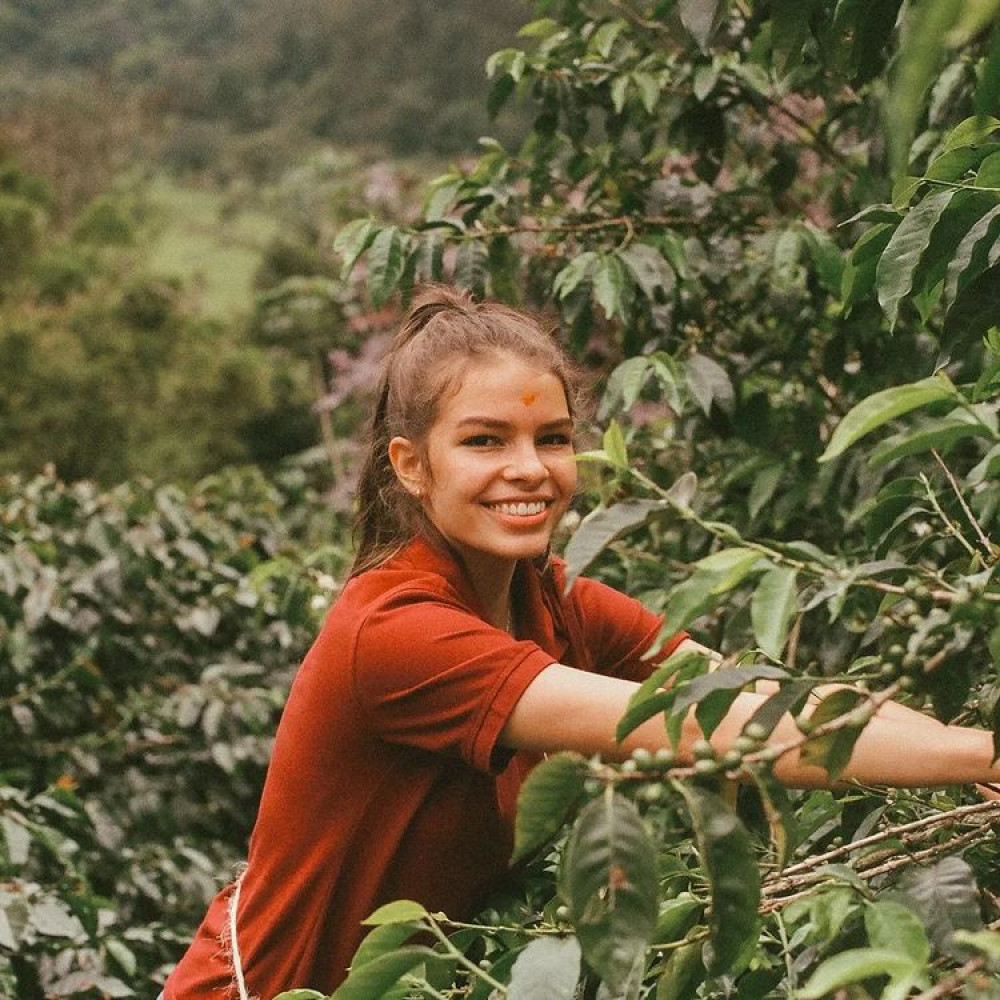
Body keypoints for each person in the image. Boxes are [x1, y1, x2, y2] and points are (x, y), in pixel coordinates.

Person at [163, 285, 1000, 1000]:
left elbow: (761, 697)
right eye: (485, 441)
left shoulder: (556, 601)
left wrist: (972, 751)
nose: (529, 468)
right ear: (411, 465)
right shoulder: (394, 633)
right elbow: (719, 732)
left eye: (552, 438)